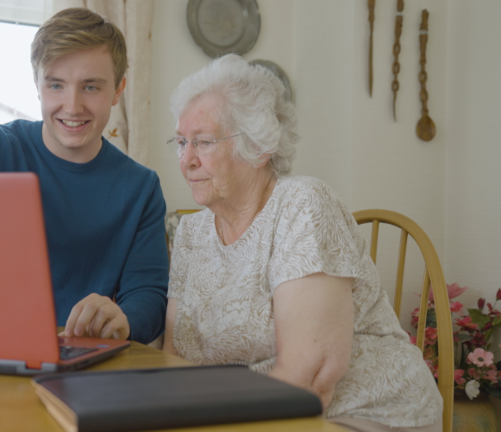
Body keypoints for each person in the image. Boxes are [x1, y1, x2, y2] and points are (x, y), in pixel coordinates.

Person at [161, 54, 443, 432]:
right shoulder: (191, 233)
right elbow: (174, 357)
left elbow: (310, 377)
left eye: (203, 142)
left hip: (363, 412)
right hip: (247, 411)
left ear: (259, 148)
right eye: (181, 142)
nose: (187, 160)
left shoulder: (303, 204)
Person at [0, 8, 168, 345]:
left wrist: (123, 319)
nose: (72, 106)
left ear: (118, 90)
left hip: (79, 357)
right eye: (56, 85)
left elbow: (148, 298)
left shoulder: (142, 188)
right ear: (38, 85)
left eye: (90, 87)